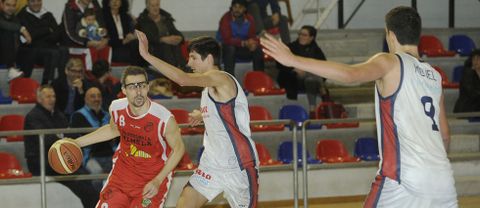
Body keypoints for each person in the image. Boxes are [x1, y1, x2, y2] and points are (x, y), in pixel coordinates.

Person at [261, 6, 457, 207]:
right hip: (443, 179)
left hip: (402, 178)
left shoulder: (390, 62)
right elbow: (445, 135)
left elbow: (349, 75)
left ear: (389, 34)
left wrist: (293, 59)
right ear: (418, 34)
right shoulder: (435, 76)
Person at [137, 31, 260, 208]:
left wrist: (147, 55)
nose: (189, 63)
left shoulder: (221, 78)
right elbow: (226, 111)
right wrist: (204, 115)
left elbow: (182, 79)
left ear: (209, 58)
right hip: (212, 164)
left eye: (193, 57)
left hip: (239, 164)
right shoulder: (209, 87)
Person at [69, 66, 185, 207]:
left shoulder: (164, 118)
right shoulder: (117, 108)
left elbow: (178, 149)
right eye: (132, 87)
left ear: (148, 87)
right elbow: (113, 130)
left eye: (141, 85)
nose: (138, 92)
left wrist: (158, 180)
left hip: (151, 181)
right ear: (123, 90)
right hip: (122, 177)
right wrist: (76, 143)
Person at [23, 84, 99, 207]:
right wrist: (63, 138)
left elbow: (69, 136)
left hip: (61, 158)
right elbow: (49, 140)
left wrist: (61, 138)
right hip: (42, 162)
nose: (52, 99)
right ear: (39, 99)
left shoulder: (58, 114)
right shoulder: (33, 116)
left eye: (53, 96)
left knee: (86, 176)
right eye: (48, 96)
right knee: (82, 185)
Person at [69, 86, 116, 191]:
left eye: (99, 96)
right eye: (92, 96)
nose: (96, 99)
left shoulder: (108, 116)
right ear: (85, 99)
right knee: (96, 173)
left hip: (110, 155)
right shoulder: (78, 116)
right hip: (90, 157)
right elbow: (89, 136)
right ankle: (96, 203)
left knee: (123, 172)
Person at [277, 25, 330, 116]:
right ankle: (323, 90)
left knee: (311, 80)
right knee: (312, 72)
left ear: (311, 38)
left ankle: (312, 111)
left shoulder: (316, 50)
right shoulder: (291, 47)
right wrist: (293, 68)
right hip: (294, 79)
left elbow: (324, 67)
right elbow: (280, 64)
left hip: (310, 81)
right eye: (300, 34)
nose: (301, 37)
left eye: (304, 35)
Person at [17, 0, 69, 84]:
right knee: (53, 52)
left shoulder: (48, 15)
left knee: (64, 50)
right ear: (27, 2)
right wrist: (47, 29)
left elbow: (56, 35)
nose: (36, 3)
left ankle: (62, 81)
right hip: (31, 51)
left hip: (47, 47)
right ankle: (46, 84)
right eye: (33, 1)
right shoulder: (22, 16)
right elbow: (30, 36)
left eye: (38, 1)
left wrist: (40, 34)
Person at [218, 0, 264, 76]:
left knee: (258, 49)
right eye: (235, 7)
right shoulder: (226, 18)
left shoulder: (249, 19)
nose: (237, 10)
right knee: (230, 48)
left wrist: (253, 43)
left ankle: (259, 78)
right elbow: (227, 39)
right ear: (231, 8)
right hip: (226, 49)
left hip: (242, 48)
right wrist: (243, 43)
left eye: (240, 7)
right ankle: (230, 78)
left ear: (245, 9)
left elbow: (253, 36)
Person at [136, 0, 185, 69]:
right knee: (166, 45)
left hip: (171, 48)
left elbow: (175, 31)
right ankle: (173, 69)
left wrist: (180, 37)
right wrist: (162, 39)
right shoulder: (143, 20)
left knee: (174, 44)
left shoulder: (166, 18)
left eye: (157, 5)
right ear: (147, 7)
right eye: (152, 6)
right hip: (154, 49)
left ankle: (182, 68)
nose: (155, 8)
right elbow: (147, 37)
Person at [102, 0, 142, 65]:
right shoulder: (103, 17)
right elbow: (106, 39)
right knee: (135, 52)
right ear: (108, 2)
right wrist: (123, 41)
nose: (115, 2)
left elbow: (136, 29)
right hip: (114, 47)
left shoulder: (125, 16)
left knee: (138, 45)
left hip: (127, 45)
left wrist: (132, 36)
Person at [0, 0, 31, 81]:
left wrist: (25, 40)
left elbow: (19, 37)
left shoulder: (16, 18)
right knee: (8, 33)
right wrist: (22, 29)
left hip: (10, 53)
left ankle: (24, 83)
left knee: (30, 52)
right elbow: (3, 24)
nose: (11, 8)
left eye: (13, 5)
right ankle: (11, 68)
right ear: (1, 4)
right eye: (8, 5)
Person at [453, 49, 480, 113]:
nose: (476, 61)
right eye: (474, 59)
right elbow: (471, 92)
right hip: (466, 109)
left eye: (478, 59)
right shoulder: (467, 73)